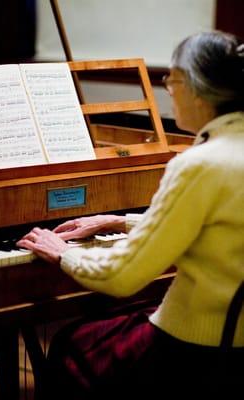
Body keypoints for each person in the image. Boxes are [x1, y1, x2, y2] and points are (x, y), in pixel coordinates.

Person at [17, 30, 244, 398]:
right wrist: (121, 221)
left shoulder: (199, 163)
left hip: (197, 351)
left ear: (193, 85)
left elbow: (121, 278)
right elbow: (221, 228)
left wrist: (62, 252)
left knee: (73, 346)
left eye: (170, 80)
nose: (168, 89)